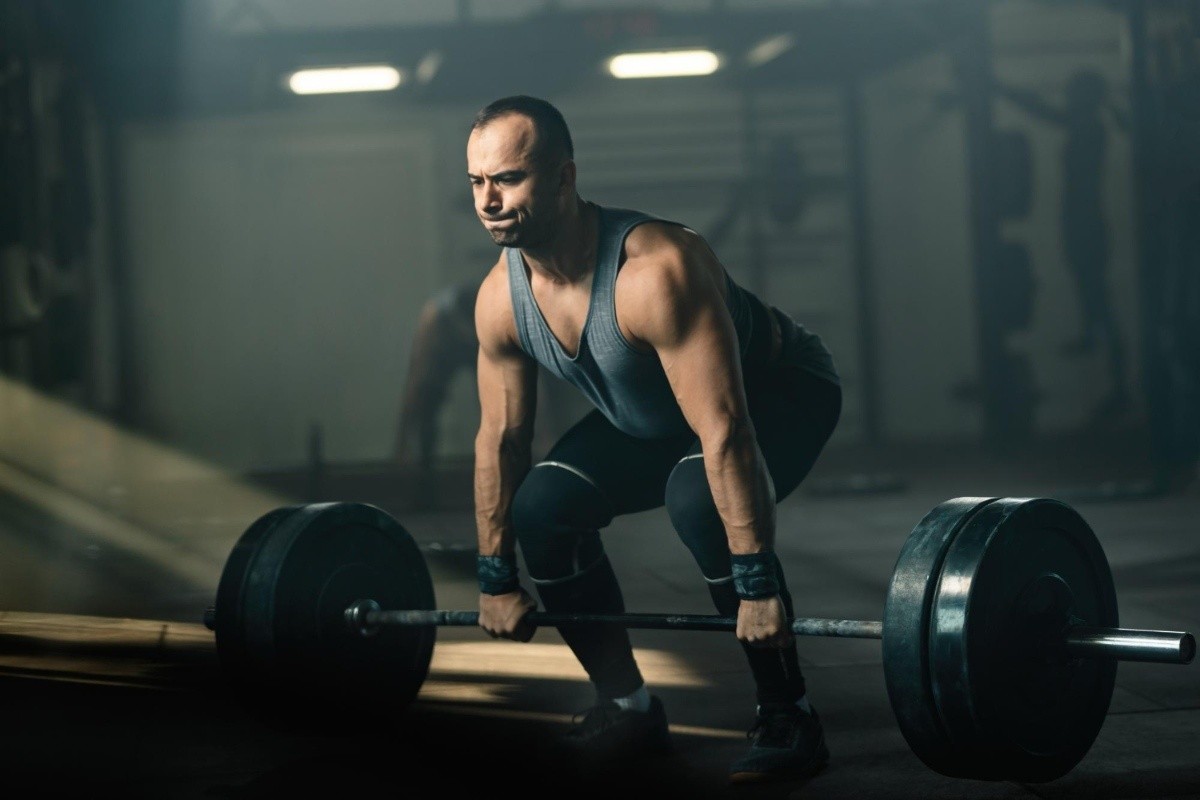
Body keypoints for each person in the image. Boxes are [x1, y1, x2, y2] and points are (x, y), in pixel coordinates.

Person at [467, 95, 842, 783]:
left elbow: (725, 424)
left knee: (697, 498)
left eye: (509, 178)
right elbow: (501, 440)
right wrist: (496, 575)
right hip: (658, 416)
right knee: (542, 508)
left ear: (563, 178)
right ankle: (629, 708)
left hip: (782, 391)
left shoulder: (656, 271)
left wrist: (756, 583)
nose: (489, 200)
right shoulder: (500, 297)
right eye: (477, 182)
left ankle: (790, 714)